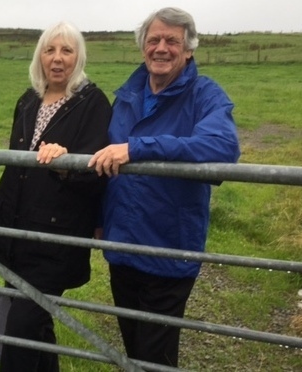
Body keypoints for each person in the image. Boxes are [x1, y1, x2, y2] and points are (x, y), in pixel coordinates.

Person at [87, 7, 241, 367]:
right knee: (133, 348)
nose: (161, 48)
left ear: (188, 50)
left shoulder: (205, 95)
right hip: (122, 245)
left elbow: (221, 147)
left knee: (156, 355)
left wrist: (139, 148)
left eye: (172, 41)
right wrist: (99, 218)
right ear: (142, 47)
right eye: (154, 39)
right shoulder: (127, 94)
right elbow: (105, 159)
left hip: (168, 248)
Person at [0, 21, 112, 372]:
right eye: (49, 50)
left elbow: (96, 169)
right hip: (15, 231)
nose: (57, 59)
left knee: (21, 325)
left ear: (78, 58)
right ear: (39, 56)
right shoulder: (28, 99)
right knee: (36, 323)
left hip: (54, 238)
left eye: (66, 51)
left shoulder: (92, 102)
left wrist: (66, 161)